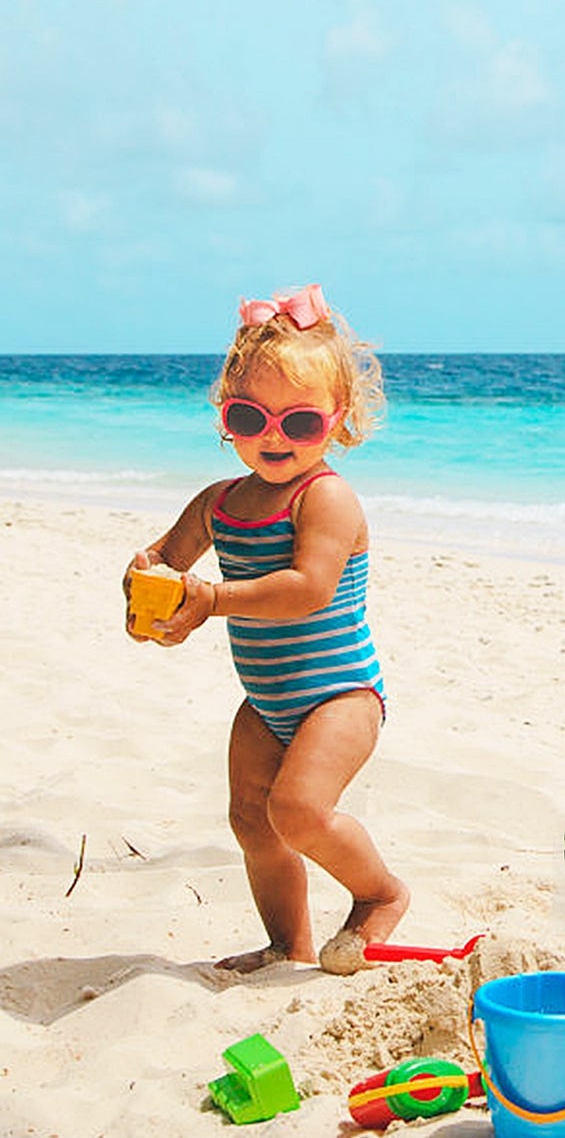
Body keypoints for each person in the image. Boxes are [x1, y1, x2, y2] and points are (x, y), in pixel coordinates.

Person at [124, 283, 408, 974]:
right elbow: (166, 562)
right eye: (251, 415)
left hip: (340, 695)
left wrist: (210, 599)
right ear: (227, 419)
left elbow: (308, 590)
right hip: (267, 700)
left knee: (298, 811)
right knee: (251, 821)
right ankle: (289, 943)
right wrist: (147, 596)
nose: (274, 436)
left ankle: (378, 894)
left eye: (300, 423)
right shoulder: (218, 502)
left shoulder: (327, 497)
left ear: (337, 422)